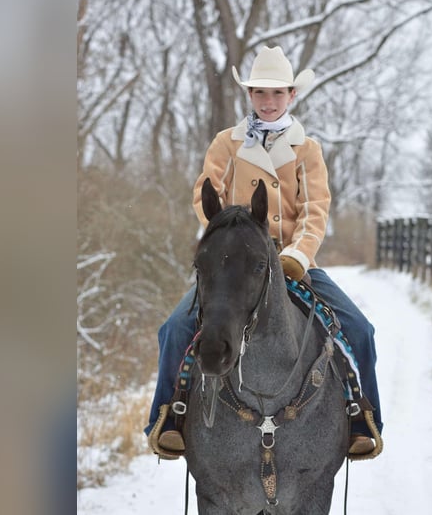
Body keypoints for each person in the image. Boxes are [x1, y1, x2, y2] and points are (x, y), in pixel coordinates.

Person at [144, 45, 382, 456]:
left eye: (277, 94)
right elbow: (205, 195)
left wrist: (297, 256)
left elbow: (315, 209)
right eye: (259, 93)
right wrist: (229, 238)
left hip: (295, 263)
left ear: (291, 96)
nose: (268, 102)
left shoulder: (307, 150)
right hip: (235, 263)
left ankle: (362, 418)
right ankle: (170, 417)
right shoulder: (227, 143)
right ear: (249, 96)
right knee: (175, 329)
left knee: (359, 329)